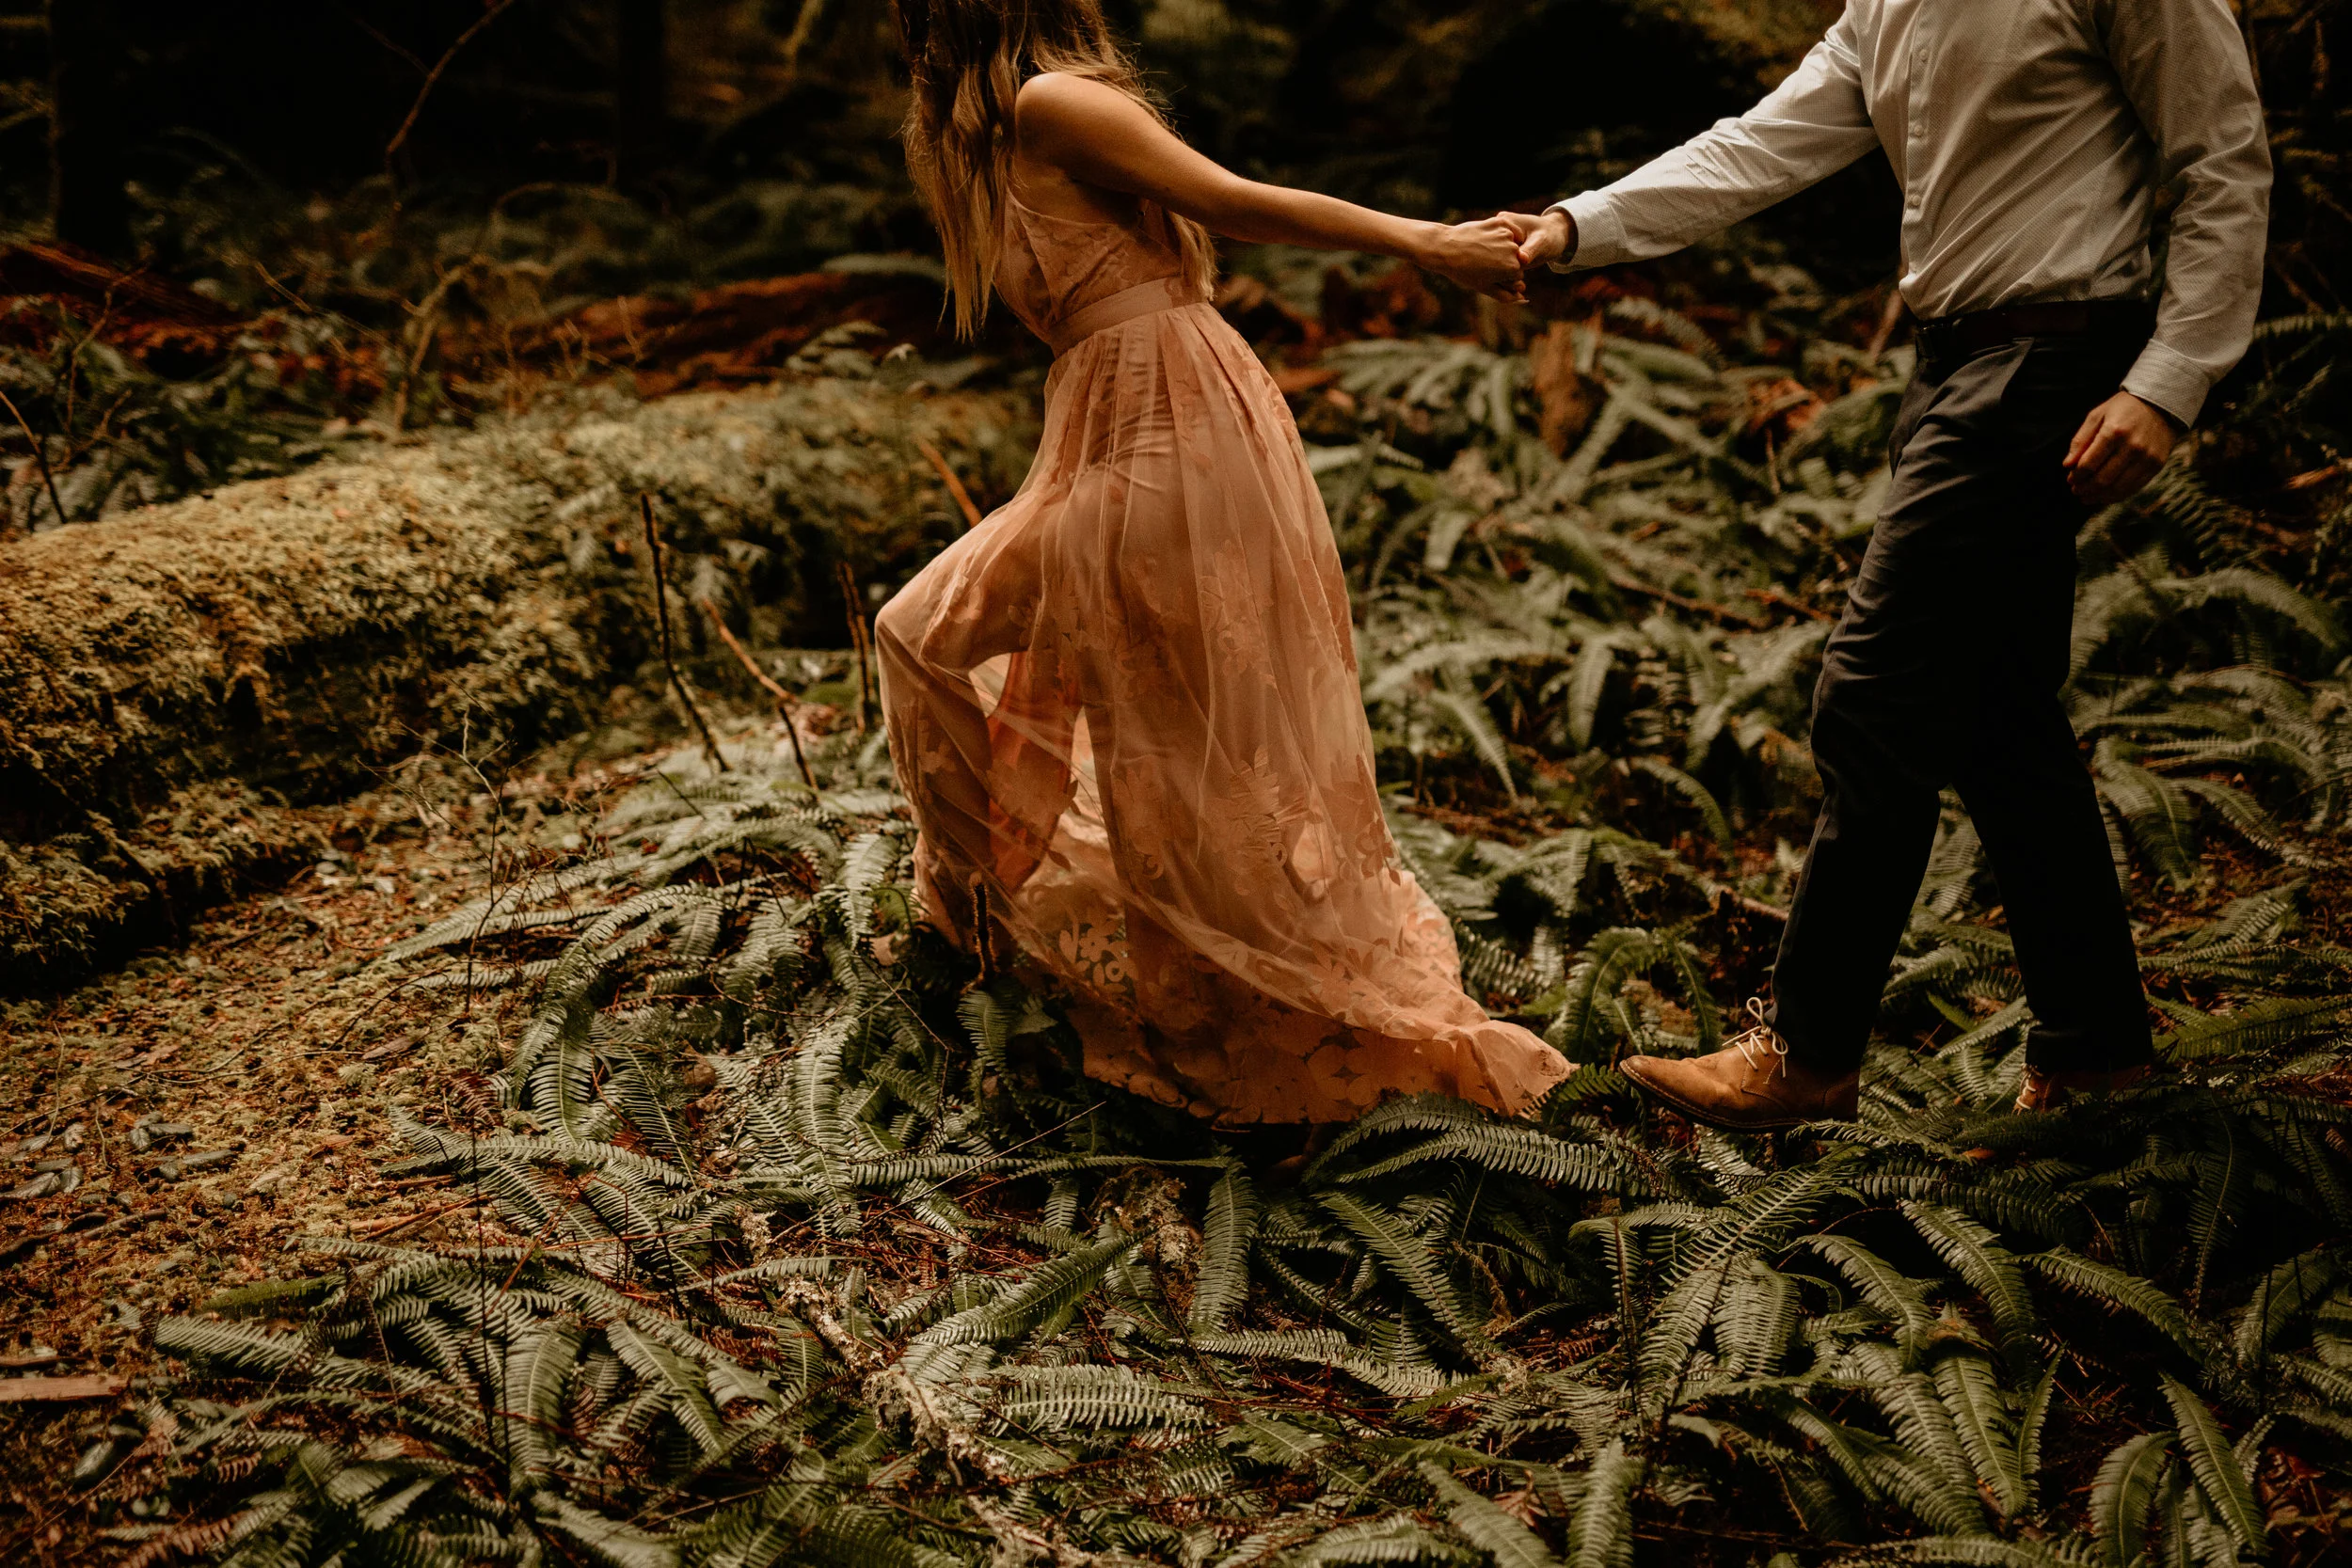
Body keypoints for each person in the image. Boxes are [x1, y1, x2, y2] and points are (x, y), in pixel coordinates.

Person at [1509, 0, 2272, 1128]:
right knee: (1997, 717)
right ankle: (2100, 1055)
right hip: (1952, 368)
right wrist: (1580, 225)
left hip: (2051, 362)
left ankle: (1806, 1053)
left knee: (1872, 696)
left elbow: (2222, 158)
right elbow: (1761, 143)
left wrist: (2170, 379)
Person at [876, 0, 1571, 1128]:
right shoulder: (987, 144)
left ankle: (1031, 944)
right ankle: (1094, 975)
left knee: (934, 637)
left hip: (1177, 434)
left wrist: (1426, 243)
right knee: (1156, 756)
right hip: (1119, 429)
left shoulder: (1055, 105)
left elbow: (1234, 201)